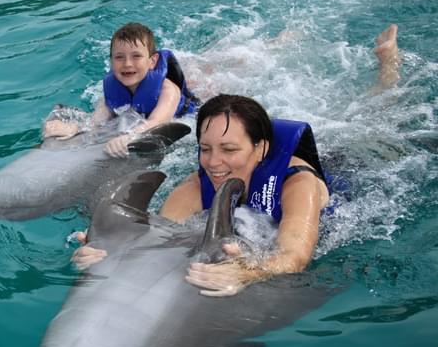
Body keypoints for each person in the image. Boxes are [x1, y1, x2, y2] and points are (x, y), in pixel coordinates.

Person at [72, 24, 401, 296]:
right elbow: (160, 240)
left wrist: (249, 272)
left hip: (352, 167)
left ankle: (389, 66)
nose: (214, 162)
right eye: (205, 148)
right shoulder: (194, 187)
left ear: (260, 149)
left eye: (230, 150)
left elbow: (294, 255)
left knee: (379, 115)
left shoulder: (298, 184)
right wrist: (111, 252)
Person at [43, 22, 198, 157]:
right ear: (111, 61)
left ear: (152, 61)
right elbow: (96, 124)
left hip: (186, 116)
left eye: (136, 56)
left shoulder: (168, 91)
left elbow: (157, 122)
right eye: (119, 57)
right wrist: (75, 128)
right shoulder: (111, 92)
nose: (127, 63)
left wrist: (130, 136)